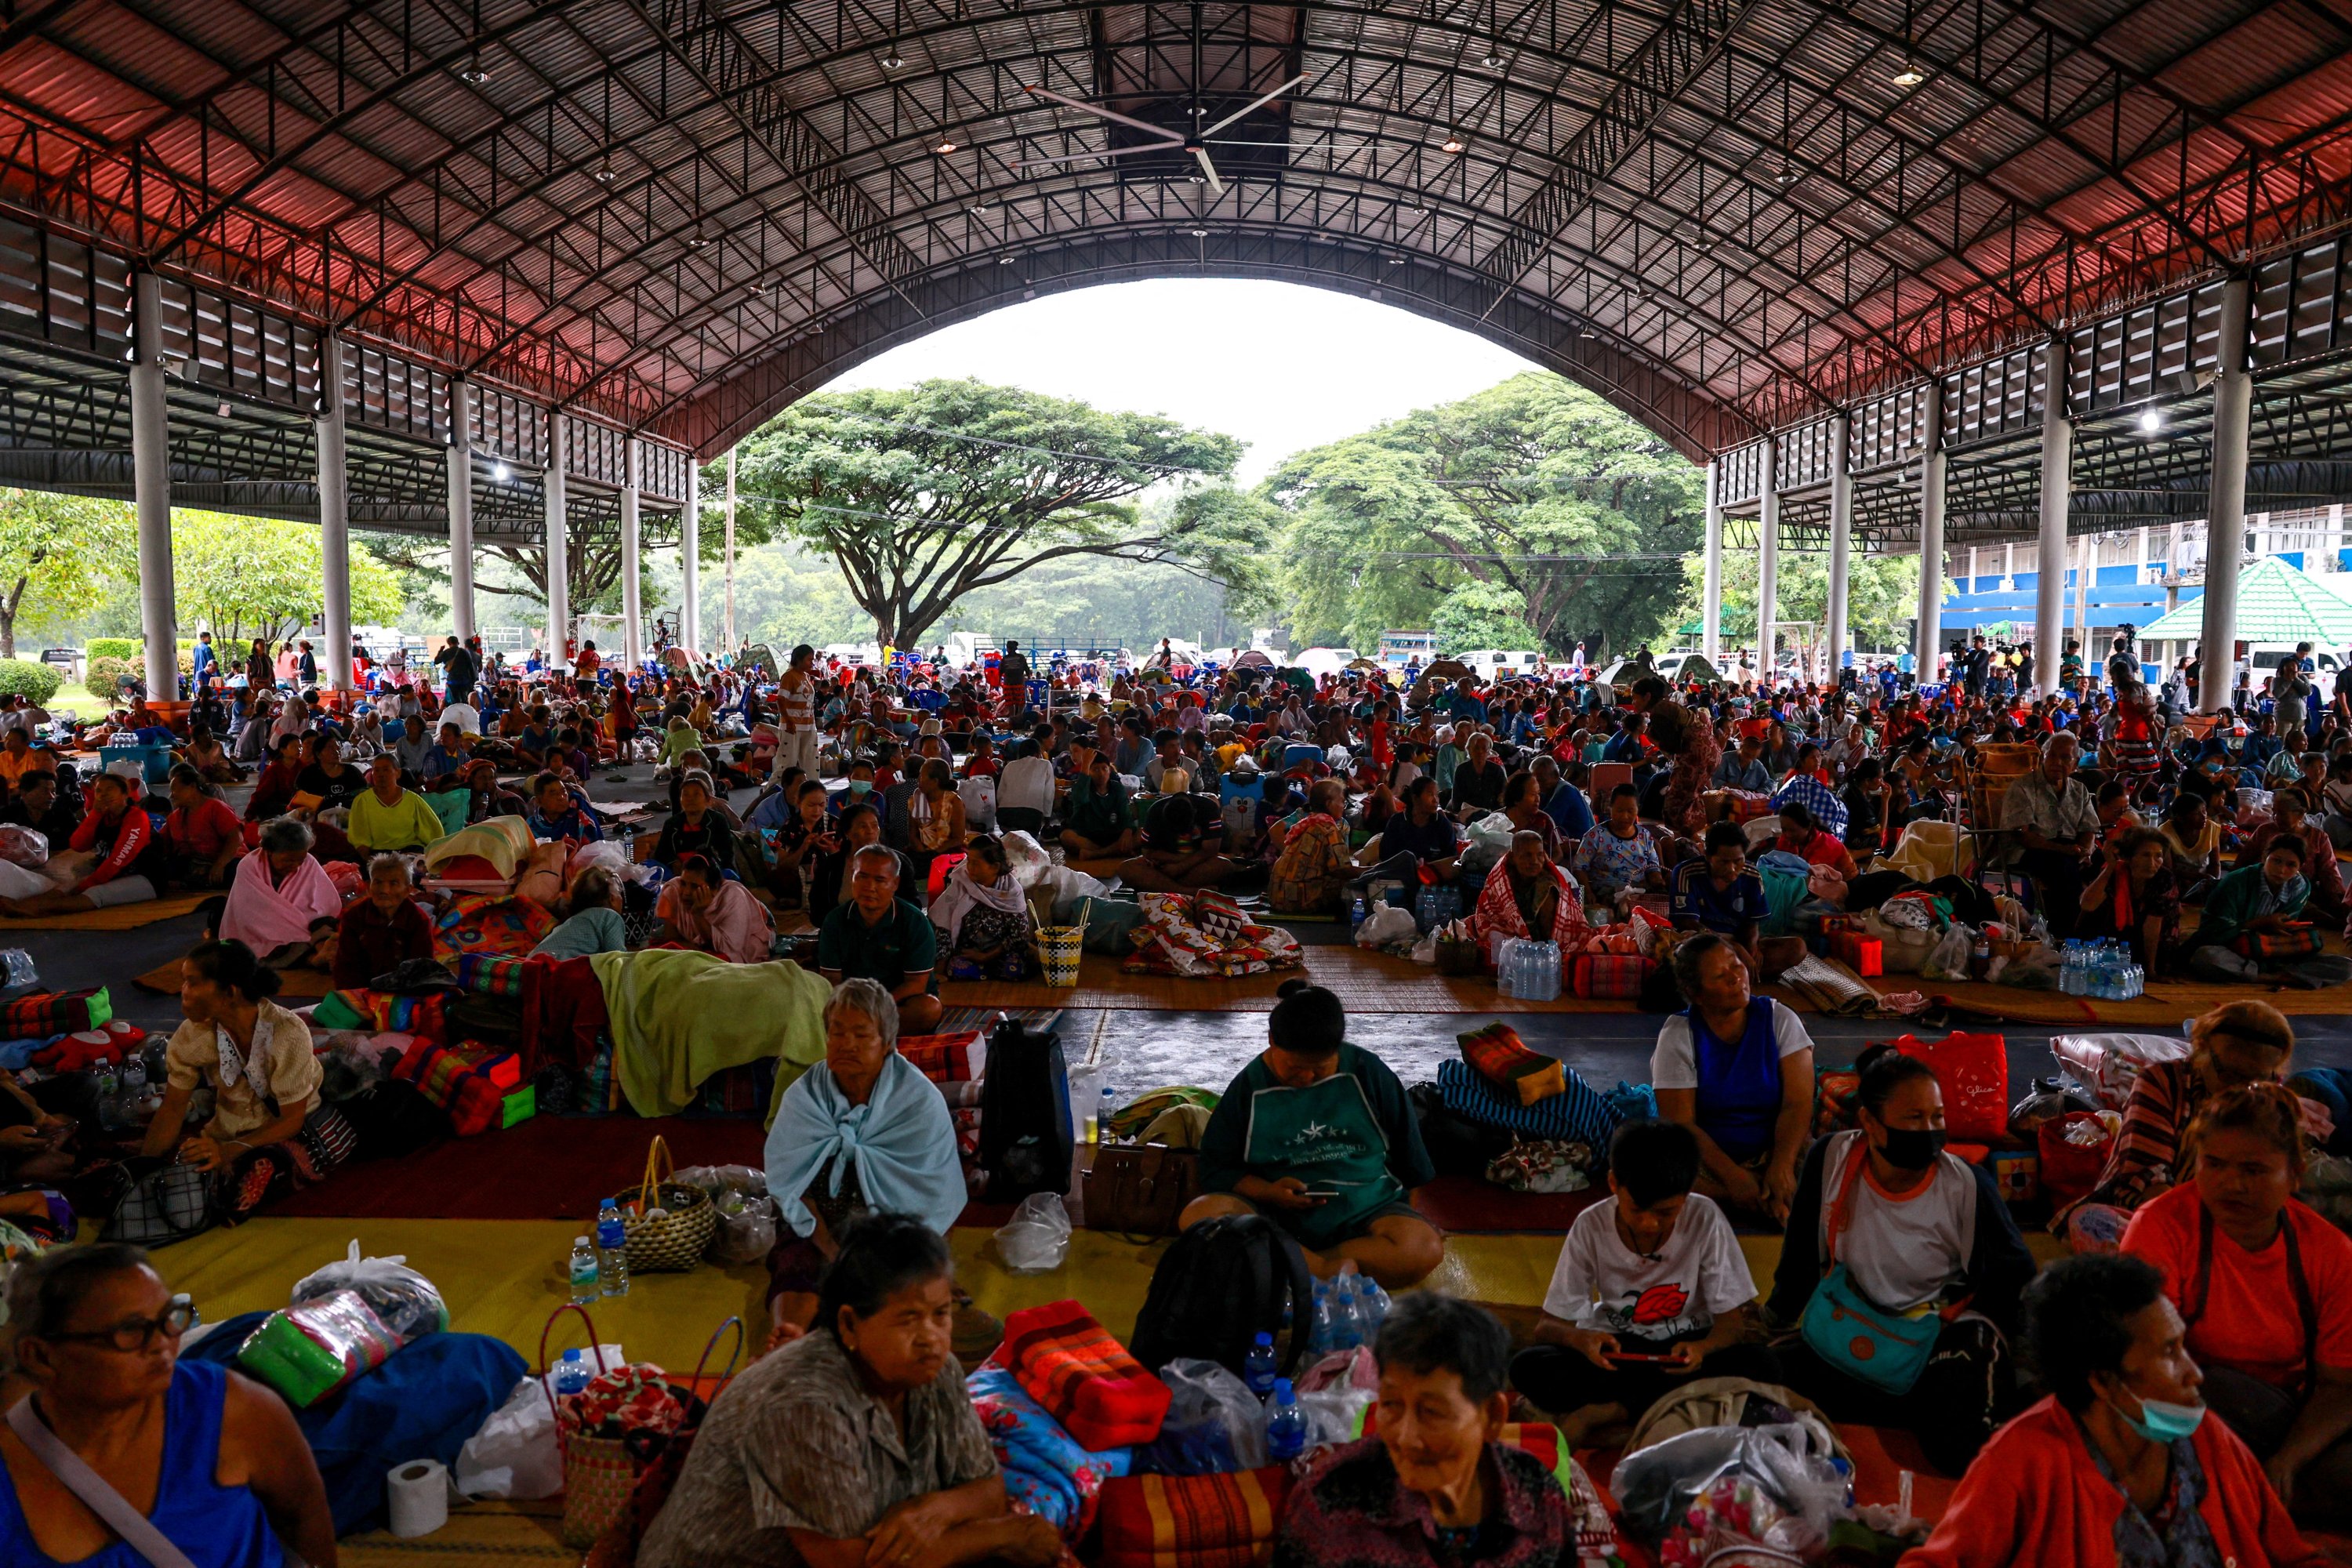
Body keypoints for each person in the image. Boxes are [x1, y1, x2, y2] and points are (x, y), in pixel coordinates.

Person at [640, 1212, 1051, 1568]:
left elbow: (987, 1490)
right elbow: (855, 1564)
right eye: (908, 1319)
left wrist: (937, 1509)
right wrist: (1006, 1536)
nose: (931, 1338)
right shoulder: (803, 1405)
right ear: (850, 1325)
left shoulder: (935, 1373)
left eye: (940, 1314)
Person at [1904, 1253, 2327, 1567]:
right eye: (2169, 1352)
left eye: (2184, 1346)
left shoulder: (2206, 1439)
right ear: (2104, 1381)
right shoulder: (2022, 1461)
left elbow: (2292, 1557)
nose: (2195, 1373)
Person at [1766, 1045, 2036, 1474]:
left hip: (1934, 1337)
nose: (1929, 1129)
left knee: (1961, 1446)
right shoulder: (1830, 1160)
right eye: (1914, 1118)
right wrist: (1772, 1318)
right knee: (1756, 1386)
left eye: (1938, 1117)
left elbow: (2015, 1277)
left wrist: (1959, 1331)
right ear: (1870, 1124)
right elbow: (1800, 1256)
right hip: (1853, 1323)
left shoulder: (1966, 1186)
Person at [0, 1244, 339, 1568]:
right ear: (41, 1356)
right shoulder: (10, 1467)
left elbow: (304, 1511)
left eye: (170, 1317)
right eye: (131, 1330)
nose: (163, 1344)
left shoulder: (226, 1408)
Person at [2114, 1083, 2352, 1520]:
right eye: (2215, 1165)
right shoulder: (2162, 1226)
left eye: (2254, 1170)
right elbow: (2144, 1360)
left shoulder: (2331, 1251)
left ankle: (2242, 1492)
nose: (2231, 1185)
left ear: (2295, 1175)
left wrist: (2288, 1459)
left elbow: (2341, 1385)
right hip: (2187, 1405)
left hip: (2288, 1418)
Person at [1511, 1120, 1778, 1442]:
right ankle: (1658, 1411)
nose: (1650, 1224)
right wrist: (1582, 1341)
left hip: (1686, 1348)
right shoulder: (1591, 1225)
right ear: (1613, 1183)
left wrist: (1703, 1349)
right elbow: (1548, 1327)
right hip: (1617, 1350)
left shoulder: (1705, 1218)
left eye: (1666, 1212)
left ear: (1688, 1192)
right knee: (1530, 1367)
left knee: (1764, 1366)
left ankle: (1612, 1412)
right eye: (1636, 1209)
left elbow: (1732, 1326)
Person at [1272, 1294, 1569, 1568]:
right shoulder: (1329, 1505)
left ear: (1492, 1417)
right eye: (1391, 1404)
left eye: (1431, 1413)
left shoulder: (1539, 1498)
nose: (1405, 1437)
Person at [1181, 980, 1443, 1287]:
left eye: (1319, 1068)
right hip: (1275, 1216)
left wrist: (1408, 1222)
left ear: (1338, 1050)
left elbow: (1410, 1159)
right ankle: (1322, 1270)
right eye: (1294, 1067)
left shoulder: (1367, 1071)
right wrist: (1270, 1193)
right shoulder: (1250, 1087)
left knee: (1423, 1248)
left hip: (1363, 1210)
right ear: (1271, 1041)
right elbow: (1216, 1167)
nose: (1306, 1077)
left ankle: (1287, 1265)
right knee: (1199, 1214)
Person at [760, 980, 967, 1345]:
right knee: (795, 1264)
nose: (847, 1044)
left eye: (861, 1034)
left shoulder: (918, 1102)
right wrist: (833, 1251)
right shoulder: (805, 1097)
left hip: (895, 1234)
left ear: (887, 1044)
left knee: (903, 1288)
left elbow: (935, 1196)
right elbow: (794, 1188)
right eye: (837, 1032)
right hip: (821, 1230)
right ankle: (788, 1336)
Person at [143, 939, 352, 1221]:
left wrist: (228, 1152)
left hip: (286, 1131)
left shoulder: (287, 1032)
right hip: (227, 1131)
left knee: (258, 1171)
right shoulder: (194, 1035)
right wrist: (144, 1169)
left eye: (192, 983)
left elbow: (292, 1120)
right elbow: (172, 1109)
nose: (183, 992)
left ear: (229, 992)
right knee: (173, 1180)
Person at [1650, 932, 1814, 1221]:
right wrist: (1734, 1178)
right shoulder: (1678, 1035)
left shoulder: (1780, 1019)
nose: (1735, 977)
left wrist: (1782, 1166)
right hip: (1709, 1158)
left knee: (1828, 1159)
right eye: (1719, 975)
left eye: (1736, 965)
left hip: (1775, 1146)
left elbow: (1797, 1104)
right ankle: (1756, 1199)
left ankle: (1762, 1194)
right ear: (1696, 994)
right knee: (1650, 1166)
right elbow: (1682, 1124)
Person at [2186, 835, 2352, 985]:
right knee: (2205, 957)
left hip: (2272, 950)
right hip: (2233, 947)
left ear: (2300, 867)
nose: (2281, 870)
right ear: (2265, 858)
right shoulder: (2236, 882)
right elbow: (2212, 929)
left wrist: (2285, 931)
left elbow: (2284, 933)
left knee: (2346, 967)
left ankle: (2254, 972)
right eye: (2276, 861)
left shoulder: (2300, 887)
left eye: (2291, 865)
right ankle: (2271, 977)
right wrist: (2260, 923)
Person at [0, 771, 163, 917]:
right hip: (114, 871)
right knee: (68, 886)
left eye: (110, 789)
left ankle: (37, 909)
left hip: (145, 876)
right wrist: (95, 815)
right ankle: (24, 904)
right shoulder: (103, 816)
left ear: (125, 794)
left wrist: (88, 882)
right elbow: (78, 844)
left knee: (95, 891)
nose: (104, 795)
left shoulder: (136, 818)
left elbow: (119, 860)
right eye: (99, 790)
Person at [818, 845, 942, 1033]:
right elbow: (831, 978)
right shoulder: (835, 920)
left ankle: (862, 1029)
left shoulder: (915, 922)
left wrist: (877, 1008)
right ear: (852, 876)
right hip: (854, 1000)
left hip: (896, 1002)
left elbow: (915, 983)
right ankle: (871, 1029)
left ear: (895, 883)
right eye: (862, 877)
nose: (869, 887)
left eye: (880, 880)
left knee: (929, 1009)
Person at [2002, 732, 2098, 938]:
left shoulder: (2079, 790)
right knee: (2062, 868)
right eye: (2052, 756)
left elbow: (2089, 828)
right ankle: (2068, 935)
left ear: (2075, 763)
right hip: (2031, 850)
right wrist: (2066, 851)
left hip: (2070, 849)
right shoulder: (2023, 787)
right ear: (2042, 757)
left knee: (2109, 866)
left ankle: (2103, 933)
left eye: (2065, 758)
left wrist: (2085, 851)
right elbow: (2022, 835)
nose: (2057, 762)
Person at [217, 817, 341, 964]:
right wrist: (301, 933)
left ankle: (323, 951)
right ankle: (313, 958)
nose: (295, 866)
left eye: (300, 860)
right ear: (269, 851)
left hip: (306, 923)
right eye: (288, 860)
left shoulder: (308, 861)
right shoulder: (249, 866)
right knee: (266, 949)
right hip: (266, 929)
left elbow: (325, 902)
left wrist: (307, 926)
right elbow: (253, 915)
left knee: (325, 923)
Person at [2078, 826, 2183, 970]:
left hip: (2152, 943)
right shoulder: (2116, 872)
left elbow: (2153, 926)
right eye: (2145, 855)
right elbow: (2087, 905)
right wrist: (2110, 868)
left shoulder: (2164, 878)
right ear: (2129, 858)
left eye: (2158, 856)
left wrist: (2150, 969)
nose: (2152, 863)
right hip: (2115, 941)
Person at [928, 836, 1032, 982]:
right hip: (968, 954)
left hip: (999, 954)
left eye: (976, 863)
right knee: (957, 969)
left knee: (1014, 968)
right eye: (969, 861)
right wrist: (940, 968)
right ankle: (984, 972)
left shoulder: (1012, 892)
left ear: (995, 867)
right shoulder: (961, 885)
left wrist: (987, 956)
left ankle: (984, 972)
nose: (969, 868)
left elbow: (1019, 935)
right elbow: (942, 924)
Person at [330, 854, 433, 990]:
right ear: (368, 887)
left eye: (393, 883)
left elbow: (422, 969)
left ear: (408, 890)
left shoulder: (419, 921)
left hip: (405, 992)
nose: (384, 890)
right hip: (362, 991)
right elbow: (346, 968)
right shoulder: (353, 917)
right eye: (378, 882)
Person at [656, 852, 774, 964]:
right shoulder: (673, 891)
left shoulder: (734, 897)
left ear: (714, 889)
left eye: (695, 886)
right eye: (683, 883)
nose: (686, 892)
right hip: (713, 944)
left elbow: (730, 950)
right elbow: (671, 940)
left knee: (724, 962)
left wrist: (699, 914)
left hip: (759, 925)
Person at [1568, 782, 1665, 910]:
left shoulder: (1645, 836)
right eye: (1619, 810)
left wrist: (1658, 882)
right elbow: (1579, 867)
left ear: (1638, 809)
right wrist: (1589, 893)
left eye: (1630, 811)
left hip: (1638, 892)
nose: (1624, 816)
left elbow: (1653, 868)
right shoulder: (1596, 835)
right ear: (1610, 808)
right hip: (1606, 893)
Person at [1267, 777, 1356, 916]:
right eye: (1342, 802)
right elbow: (1342, 870)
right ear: (1329, 804)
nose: (1343, 806)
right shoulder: (1329, 828)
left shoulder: (1306, 822)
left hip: (1276, 898)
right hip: (1296, 903)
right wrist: (1372, 871)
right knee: (1352, 887)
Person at [345, 752, 444, 855]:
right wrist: (369, 860)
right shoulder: (362, 801)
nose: (381, 774)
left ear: (398, 773)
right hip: (379, 854)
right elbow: (359, 838)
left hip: (410, 850)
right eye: (377, 770)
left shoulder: (412, 799)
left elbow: (434, 832)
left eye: (386, 770)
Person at [163, 764, 244, 889]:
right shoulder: (175, 817)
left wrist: (220, 864)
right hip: (195, 862)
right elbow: (162, 842)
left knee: (236, 872)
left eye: (174, 791)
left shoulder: (215, 807)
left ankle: (191, 884)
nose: (172, 796)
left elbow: (235, 838)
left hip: (226, 859)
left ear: (192, 787)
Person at [651, 771, 738, 875]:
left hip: (710, 874)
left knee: (729, 874)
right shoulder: (672, 823)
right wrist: (673, 863)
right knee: (649, 867)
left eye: (696, 794)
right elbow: (661, 854)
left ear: (708, 800)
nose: (690, 799)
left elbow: (726, 855)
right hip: (679, 875)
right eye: (686, 794)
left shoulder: (718, 820)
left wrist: (702, 869)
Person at [533, 865, 629, 959]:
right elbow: (619, 961)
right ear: (612, 899)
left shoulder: (573, 921)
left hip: (529, 967)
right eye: (619, 893)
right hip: (555, 970)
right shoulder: (609, 916)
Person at [1059, 750, 1136, 863]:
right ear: (1088, 772)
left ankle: (1096, 854)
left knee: (1141, 833)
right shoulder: (1082, 788)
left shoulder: (1117, 788)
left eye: (1104, 769)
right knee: (1066, 836)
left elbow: (1126, 815)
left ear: (1109, 770)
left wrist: (1128, 831)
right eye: (1095, 769)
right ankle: (1113, 852)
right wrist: (1085, 764)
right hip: (1089, 838)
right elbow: (1080, 798)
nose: (1101, 773)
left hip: (1114, 835)